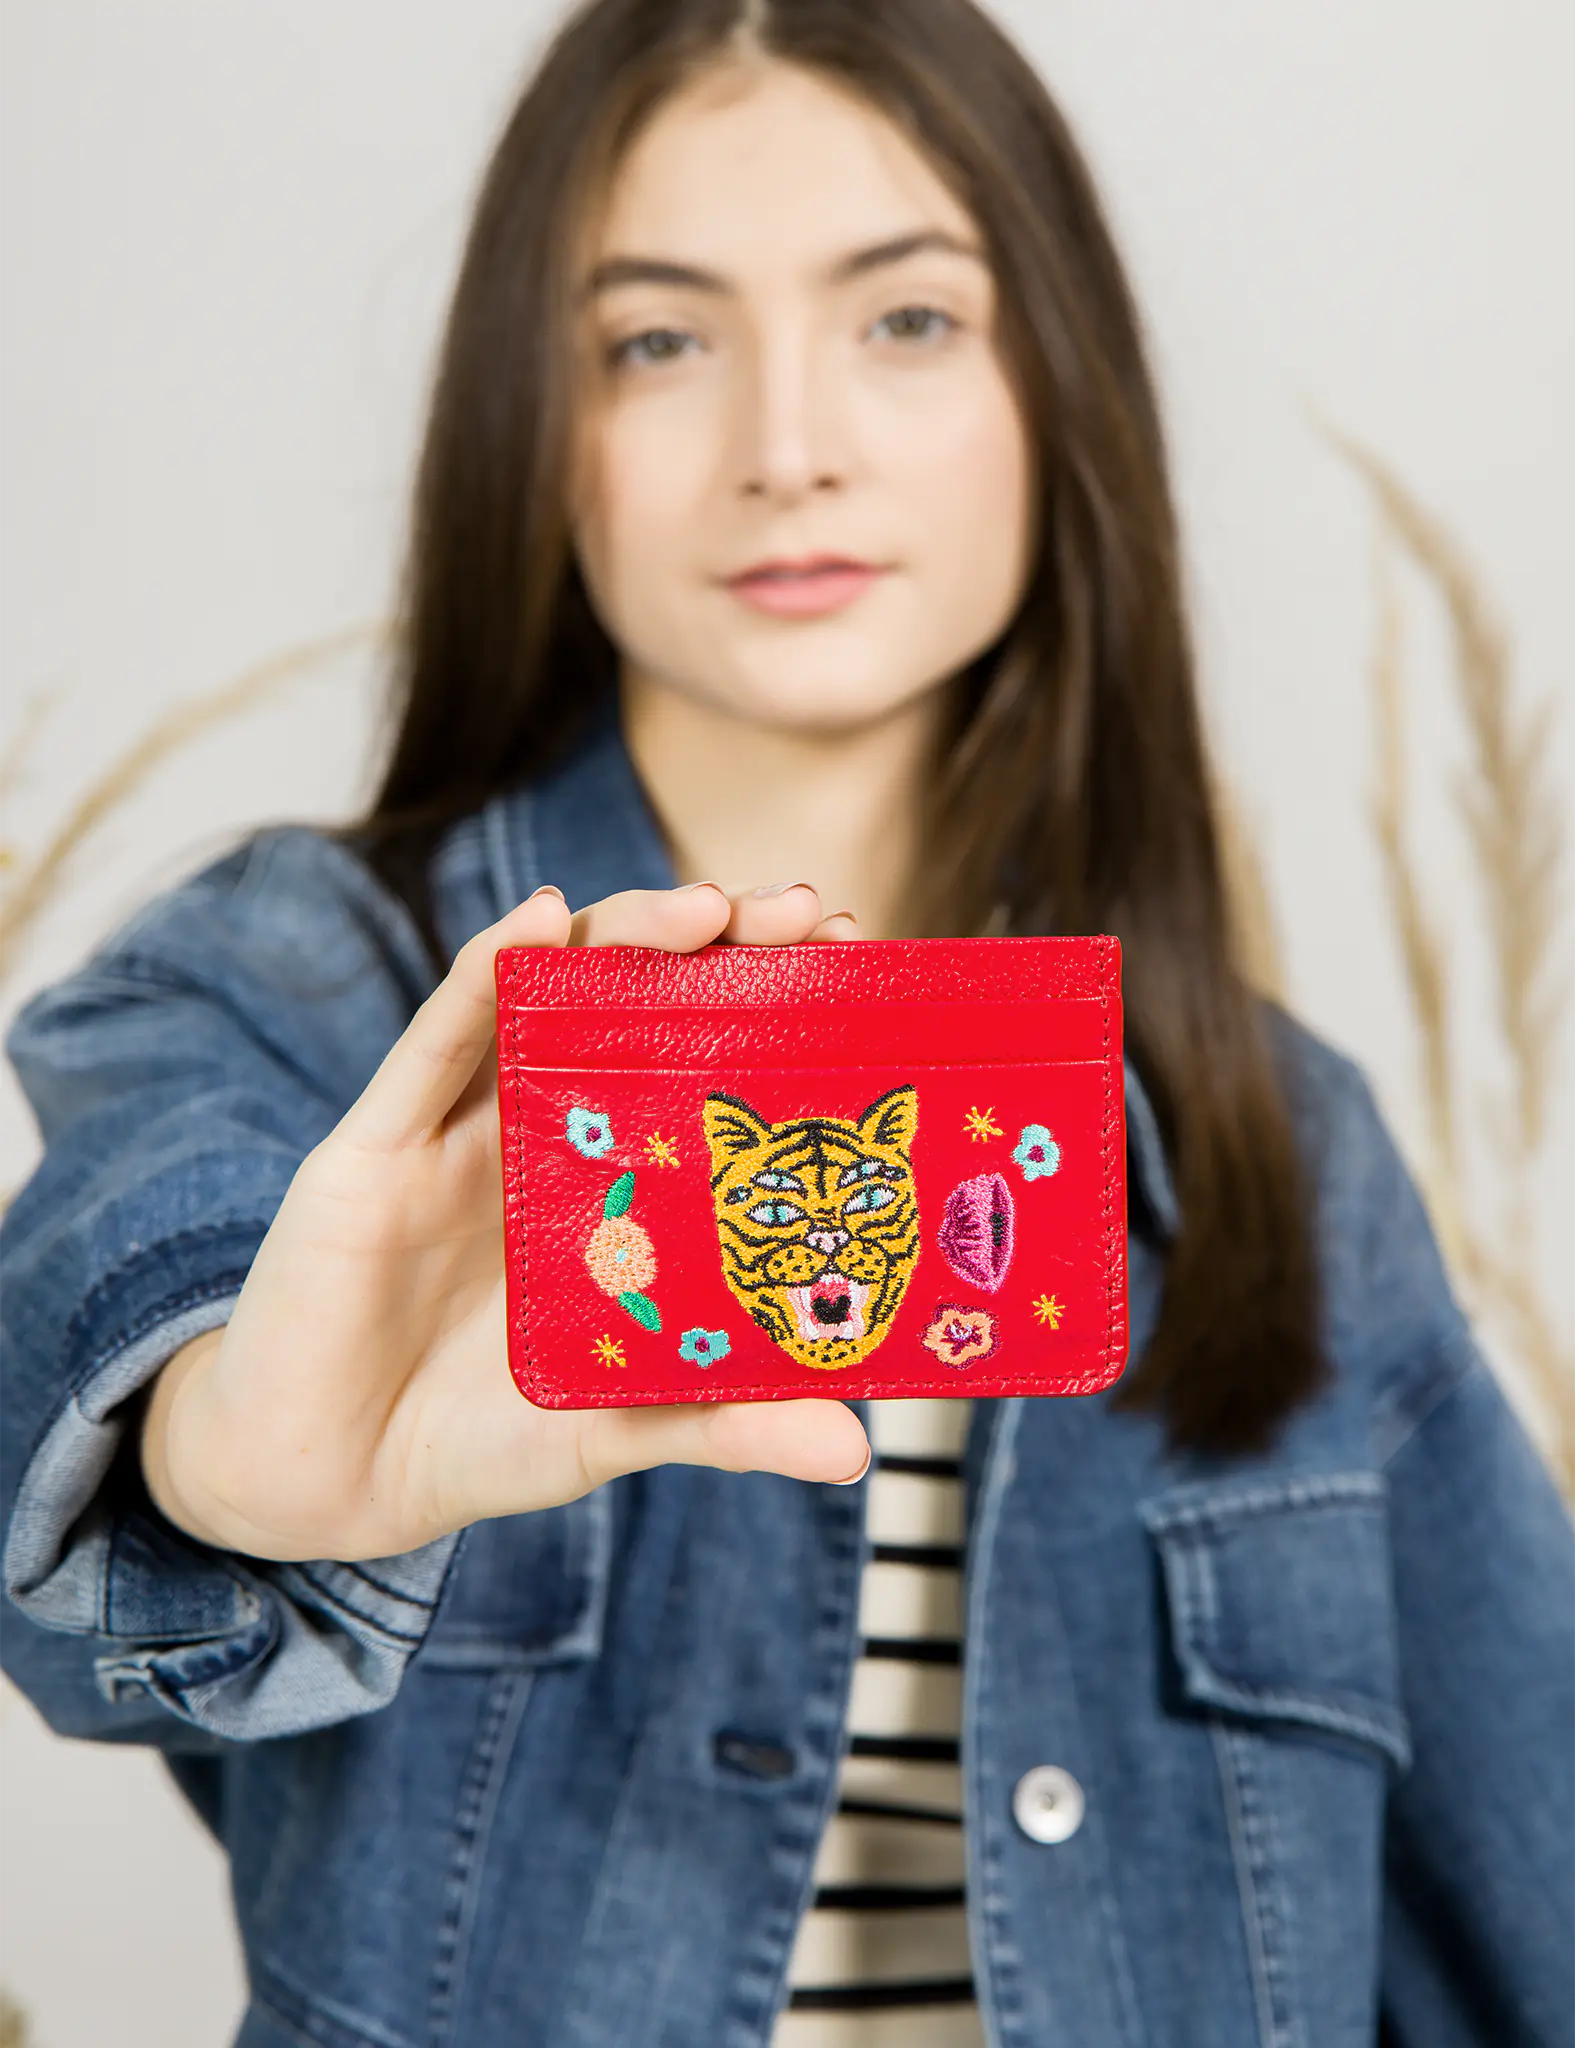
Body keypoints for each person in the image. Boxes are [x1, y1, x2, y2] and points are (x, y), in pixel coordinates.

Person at [2, 0, 1574, 2042]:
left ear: (1054, 387)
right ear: (532, 426)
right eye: (657, 339)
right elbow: (87, 1364)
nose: (787, 442)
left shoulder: (1280, 1137)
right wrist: (223, 1451)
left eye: (905, 319)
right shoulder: (301, 985)